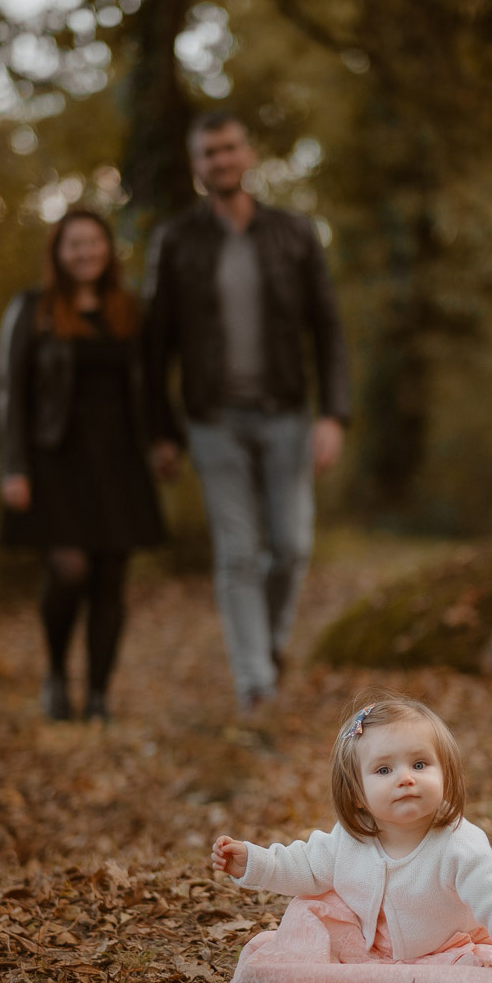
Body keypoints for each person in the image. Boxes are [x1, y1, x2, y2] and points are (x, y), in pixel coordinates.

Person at [209, 692, 492, 983]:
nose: (405, 778)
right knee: (303, 918)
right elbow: (301, 866)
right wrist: (252, 862)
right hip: (367, 944)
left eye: (420, 764)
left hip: (447, 948)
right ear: (358, 796)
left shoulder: (457, 844)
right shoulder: (350, 840)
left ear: (444, 773)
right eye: (384, 770)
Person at [143, 111, 351, 714]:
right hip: (213, 421)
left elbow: (329, 328)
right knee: (236, 553)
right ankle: (255, 684)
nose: (220, 161)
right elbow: (156, 347)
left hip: (287, 412)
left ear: (248, 154)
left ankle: (271, 647)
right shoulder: (176, 240)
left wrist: (333, 414)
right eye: (208, 153)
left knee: (289, 546)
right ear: (196, 166)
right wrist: (161, 430)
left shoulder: (294, 232)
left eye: (229, 149)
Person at [0, 209, 166, 722]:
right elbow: (12, 393)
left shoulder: (127, 311)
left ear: (107, 250)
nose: (85, 252)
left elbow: (152, 385)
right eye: (74, 244)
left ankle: (97, 696)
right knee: (69, 570)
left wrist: (163, 440)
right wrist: (13, 467)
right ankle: (54, 673)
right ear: (58, 253)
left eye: (93, 243)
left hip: (119, 461)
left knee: (111, 578)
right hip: (54, 461)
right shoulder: (33, 309)